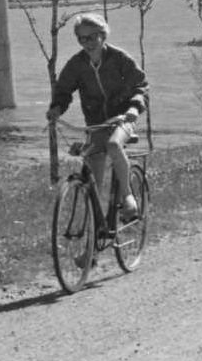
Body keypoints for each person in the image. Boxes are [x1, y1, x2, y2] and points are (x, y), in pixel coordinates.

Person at [45, 13, 149, 220]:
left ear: (103, 35)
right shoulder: (76, 64)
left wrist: (134, 109)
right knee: (94, 181)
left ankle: (127, 196)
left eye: (92, 37)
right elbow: (64, 91)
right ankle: (94, 236)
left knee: (113, 145)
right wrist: (56, 108)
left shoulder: (119, 58)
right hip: (96, 124)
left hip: (123, 119)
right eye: (82, 39)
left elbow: (141, 86)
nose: (87, 43)